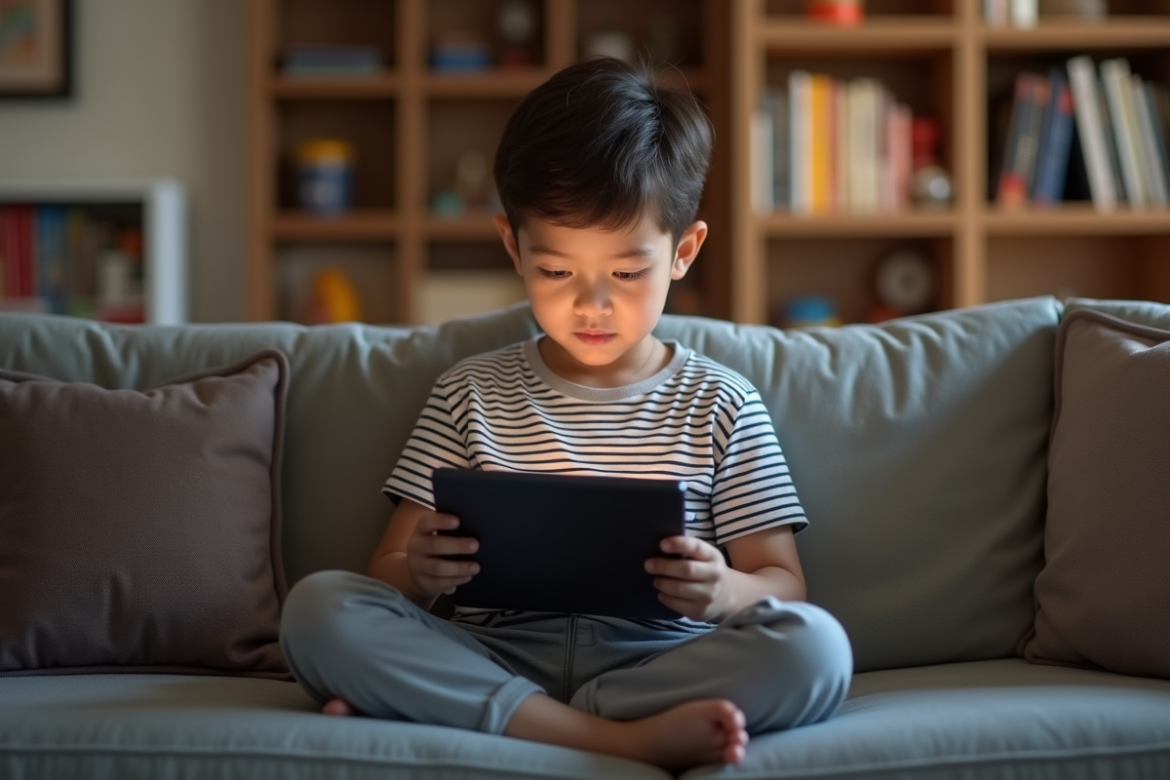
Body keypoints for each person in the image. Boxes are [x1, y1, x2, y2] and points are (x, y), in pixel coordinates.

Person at [279, 56, 852, 772]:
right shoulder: (469, 392)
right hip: (495, 651)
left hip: (654, 664)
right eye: (557, 272)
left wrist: (721, 590)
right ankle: (612, 740)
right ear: (513, 247)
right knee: (319, 608)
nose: (592, 304)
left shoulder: (721, 404)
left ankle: (495, 715)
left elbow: (782, 584)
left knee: (817, 646)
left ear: (685, 252)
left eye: (626, 272)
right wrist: (420, 572)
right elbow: (386, 569)